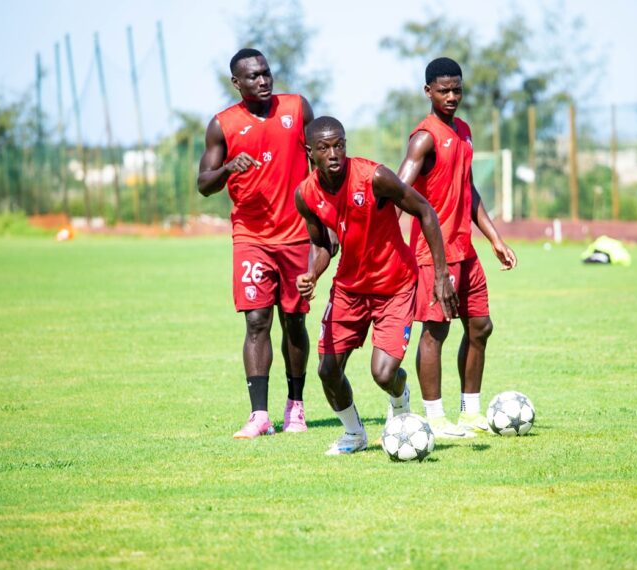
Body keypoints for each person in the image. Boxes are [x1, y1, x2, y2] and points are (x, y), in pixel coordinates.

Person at [294, 116, 458, 456]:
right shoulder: (306, 194)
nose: (334, 153)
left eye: (339, 144)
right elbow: (324, 244)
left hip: (395, 286)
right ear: (310, 152)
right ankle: (354, 434)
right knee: (327, 370)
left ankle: (400, 400)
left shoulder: (375, 177)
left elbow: (425, 210)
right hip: (349, 290)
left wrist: (441, 276)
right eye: (324, 148)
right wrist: (312, 273)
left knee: (383, 374)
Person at [397, 57, 518, 438]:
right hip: (433, 255)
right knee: (435, 333)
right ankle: (435, 418)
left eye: (457, 89)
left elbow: (468, 191)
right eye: (443, 90)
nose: (451, 96)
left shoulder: (463, 131)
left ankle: (470, 411)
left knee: (480, 326)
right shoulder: (424, 137)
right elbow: (400, 189)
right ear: (428, 91)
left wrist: (494, 238)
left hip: (465, 250)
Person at [197, 48, 315, 439]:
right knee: (256, 321)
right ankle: (260, 415)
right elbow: (203, 184)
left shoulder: (297, 109)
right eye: (252, 77)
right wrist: (228, 167)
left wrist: (325, 218)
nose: (263, 81)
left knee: (293, 320)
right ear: (237, 83)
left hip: (297, 234)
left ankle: (295, 406)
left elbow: (320, 165)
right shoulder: (223, 125)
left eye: (266, 73)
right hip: (251, 237)